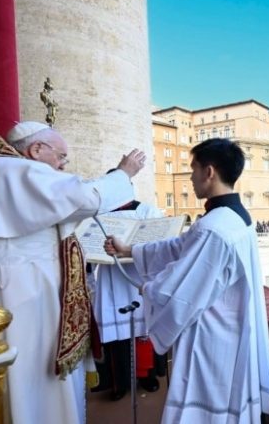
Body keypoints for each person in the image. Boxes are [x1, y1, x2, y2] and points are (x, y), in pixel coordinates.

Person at [0, 122, 145, 424]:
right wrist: (123, 174)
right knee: (26, 379)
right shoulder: (11, 168)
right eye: (61, 156)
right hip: (11, 290)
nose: (62, 166)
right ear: (36, 149)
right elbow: (86, 198)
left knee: (4, 378)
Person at [105, 138, 269, 423]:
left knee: (204, 410)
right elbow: (180, 247)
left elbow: (182, 291)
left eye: (193, 168)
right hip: (229, 325)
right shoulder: (232, 216)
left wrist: (148, 289)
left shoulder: (214, 227)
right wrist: (130, 250)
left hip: (212, 334)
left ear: (209, 172)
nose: (191, 177)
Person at [91, 170, 164, 401]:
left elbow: (162, 243)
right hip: (112, 280)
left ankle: (146, 375)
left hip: (139, 277)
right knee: (118, 337)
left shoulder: (148, 211)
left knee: (144, 332)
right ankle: (119, 382)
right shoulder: (99, 216)